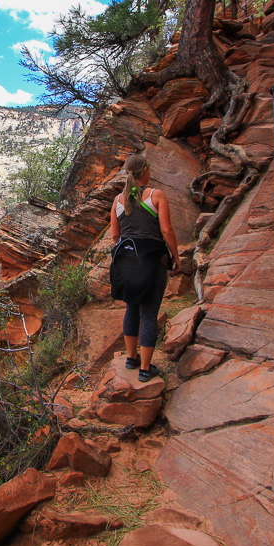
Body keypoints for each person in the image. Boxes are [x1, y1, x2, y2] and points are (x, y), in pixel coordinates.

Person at [109, 154, 180, 382]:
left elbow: (115, 236)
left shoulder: (118, 201)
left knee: (132, 309)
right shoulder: (156, 195)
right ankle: (145, 369)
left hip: (127, 264)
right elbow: (167, 231)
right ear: (146, 170)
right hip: (152, 262)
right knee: (149, 315)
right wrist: (175, 257)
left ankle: (131, 358)